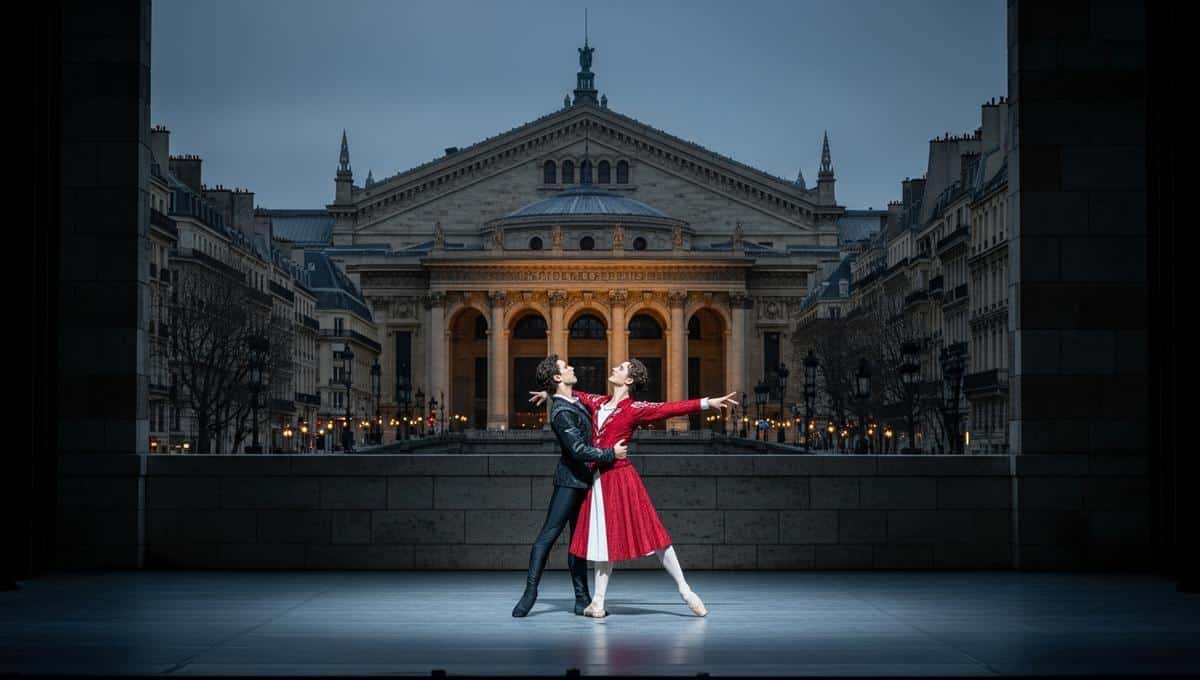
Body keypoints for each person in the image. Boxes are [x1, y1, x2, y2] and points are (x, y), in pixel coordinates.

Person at [530, 359, 737, 618]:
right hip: (599, 479)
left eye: (621, 368)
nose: (615, 368)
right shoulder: (597, 402)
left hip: (621, 477)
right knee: (604, 540)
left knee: (655, 535)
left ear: (628, 380)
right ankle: (598, 602)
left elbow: (668, 409)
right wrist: (548, 392)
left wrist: (706, 403)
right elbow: (572, 396)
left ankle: (685, 590)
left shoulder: (635, 408)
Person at [512, 355, 628, 618]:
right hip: (569, 482)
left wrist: (549, 393)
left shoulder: (569, 402)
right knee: (548, 536)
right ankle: (530, 593)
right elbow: (577, 449)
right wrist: (611, 454)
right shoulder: (561, 412)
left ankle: (582, 599)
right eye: (566, 367)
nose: (572, 367)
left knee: (578, 544)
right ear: (557, 377)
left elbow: (573, 400)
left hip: (584, 482)